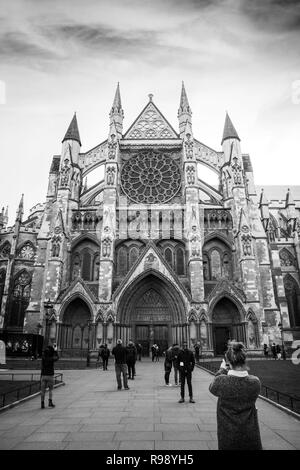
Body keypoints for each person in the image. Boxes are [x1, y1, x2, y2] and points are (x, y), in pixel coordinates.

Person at [209, 341, 262, 450]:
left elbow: (213, 387)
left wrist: (223, 369)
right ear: (244, 360)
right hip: (251, 436)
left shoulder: (221, 382)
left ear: (228, 362)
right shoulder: (255, 382)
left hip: (228, 437)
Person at [40, 342, 59, 409]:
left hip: (43, 375)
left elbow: (42, 366)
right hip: (50, 375)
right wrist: (55, 350)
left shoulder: (43, 358)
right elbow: (57, 358)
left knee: (43, 391)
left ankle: (42, 403)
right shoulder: (51, 359)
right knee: (50, 390)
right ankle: (50, 402)